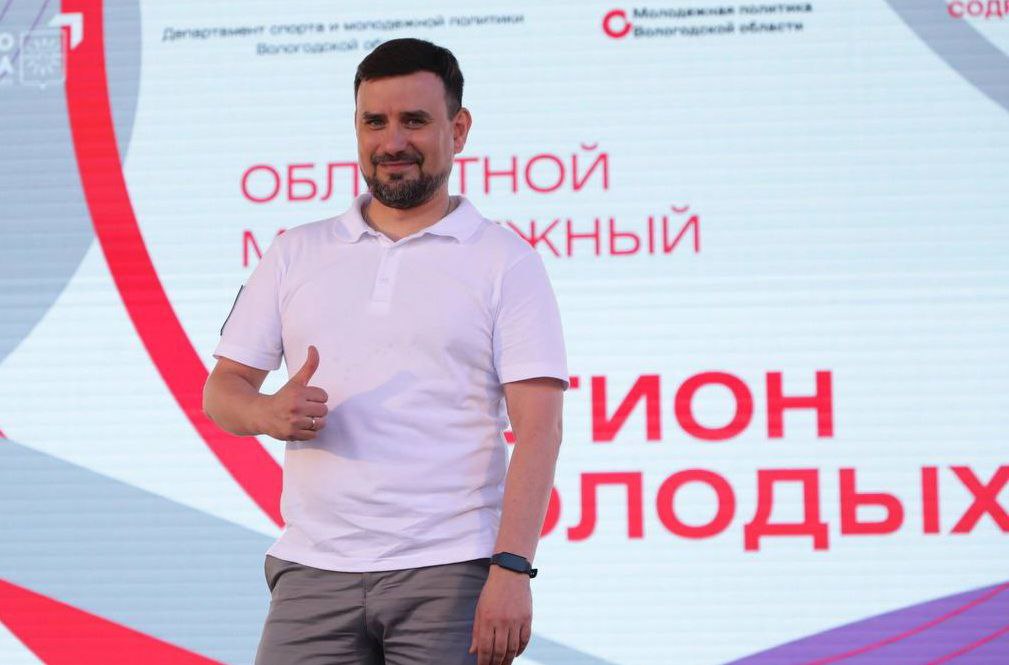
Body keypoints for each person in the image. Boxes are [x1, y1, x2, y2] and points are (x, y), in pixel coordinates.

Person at [202, 38, 568, 665]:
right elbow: (222, 390)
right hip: (312, 571)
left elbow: (540, 430)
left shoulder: (505, 261)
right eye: (375, 122)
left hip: (450, 571)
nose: (392, 141)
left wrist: (513, 568)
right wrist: (265, 412)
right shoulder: (295, 252)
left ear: (459, 129)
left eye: (414, 121)